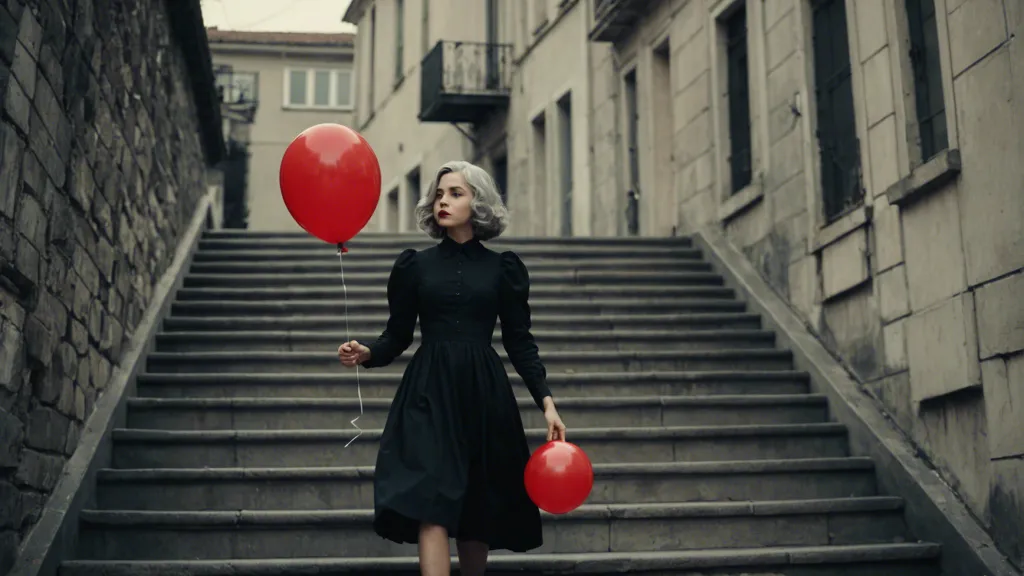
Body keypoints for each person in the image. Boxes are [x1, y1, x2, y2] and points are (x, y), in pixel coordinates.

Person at [338, 160, 567, 576]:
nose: (442, 201)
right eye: (439, 194)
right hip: (428, 391)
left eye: (455, 193)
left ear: (477, 202)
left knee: (477, 505)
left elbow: (519, 341)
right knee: (430, 499)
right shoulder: (415, 266)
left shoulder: (504, 269)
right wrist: (367, 352)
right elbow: (398, 335)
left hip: (483, 392)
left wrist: (547, 402)